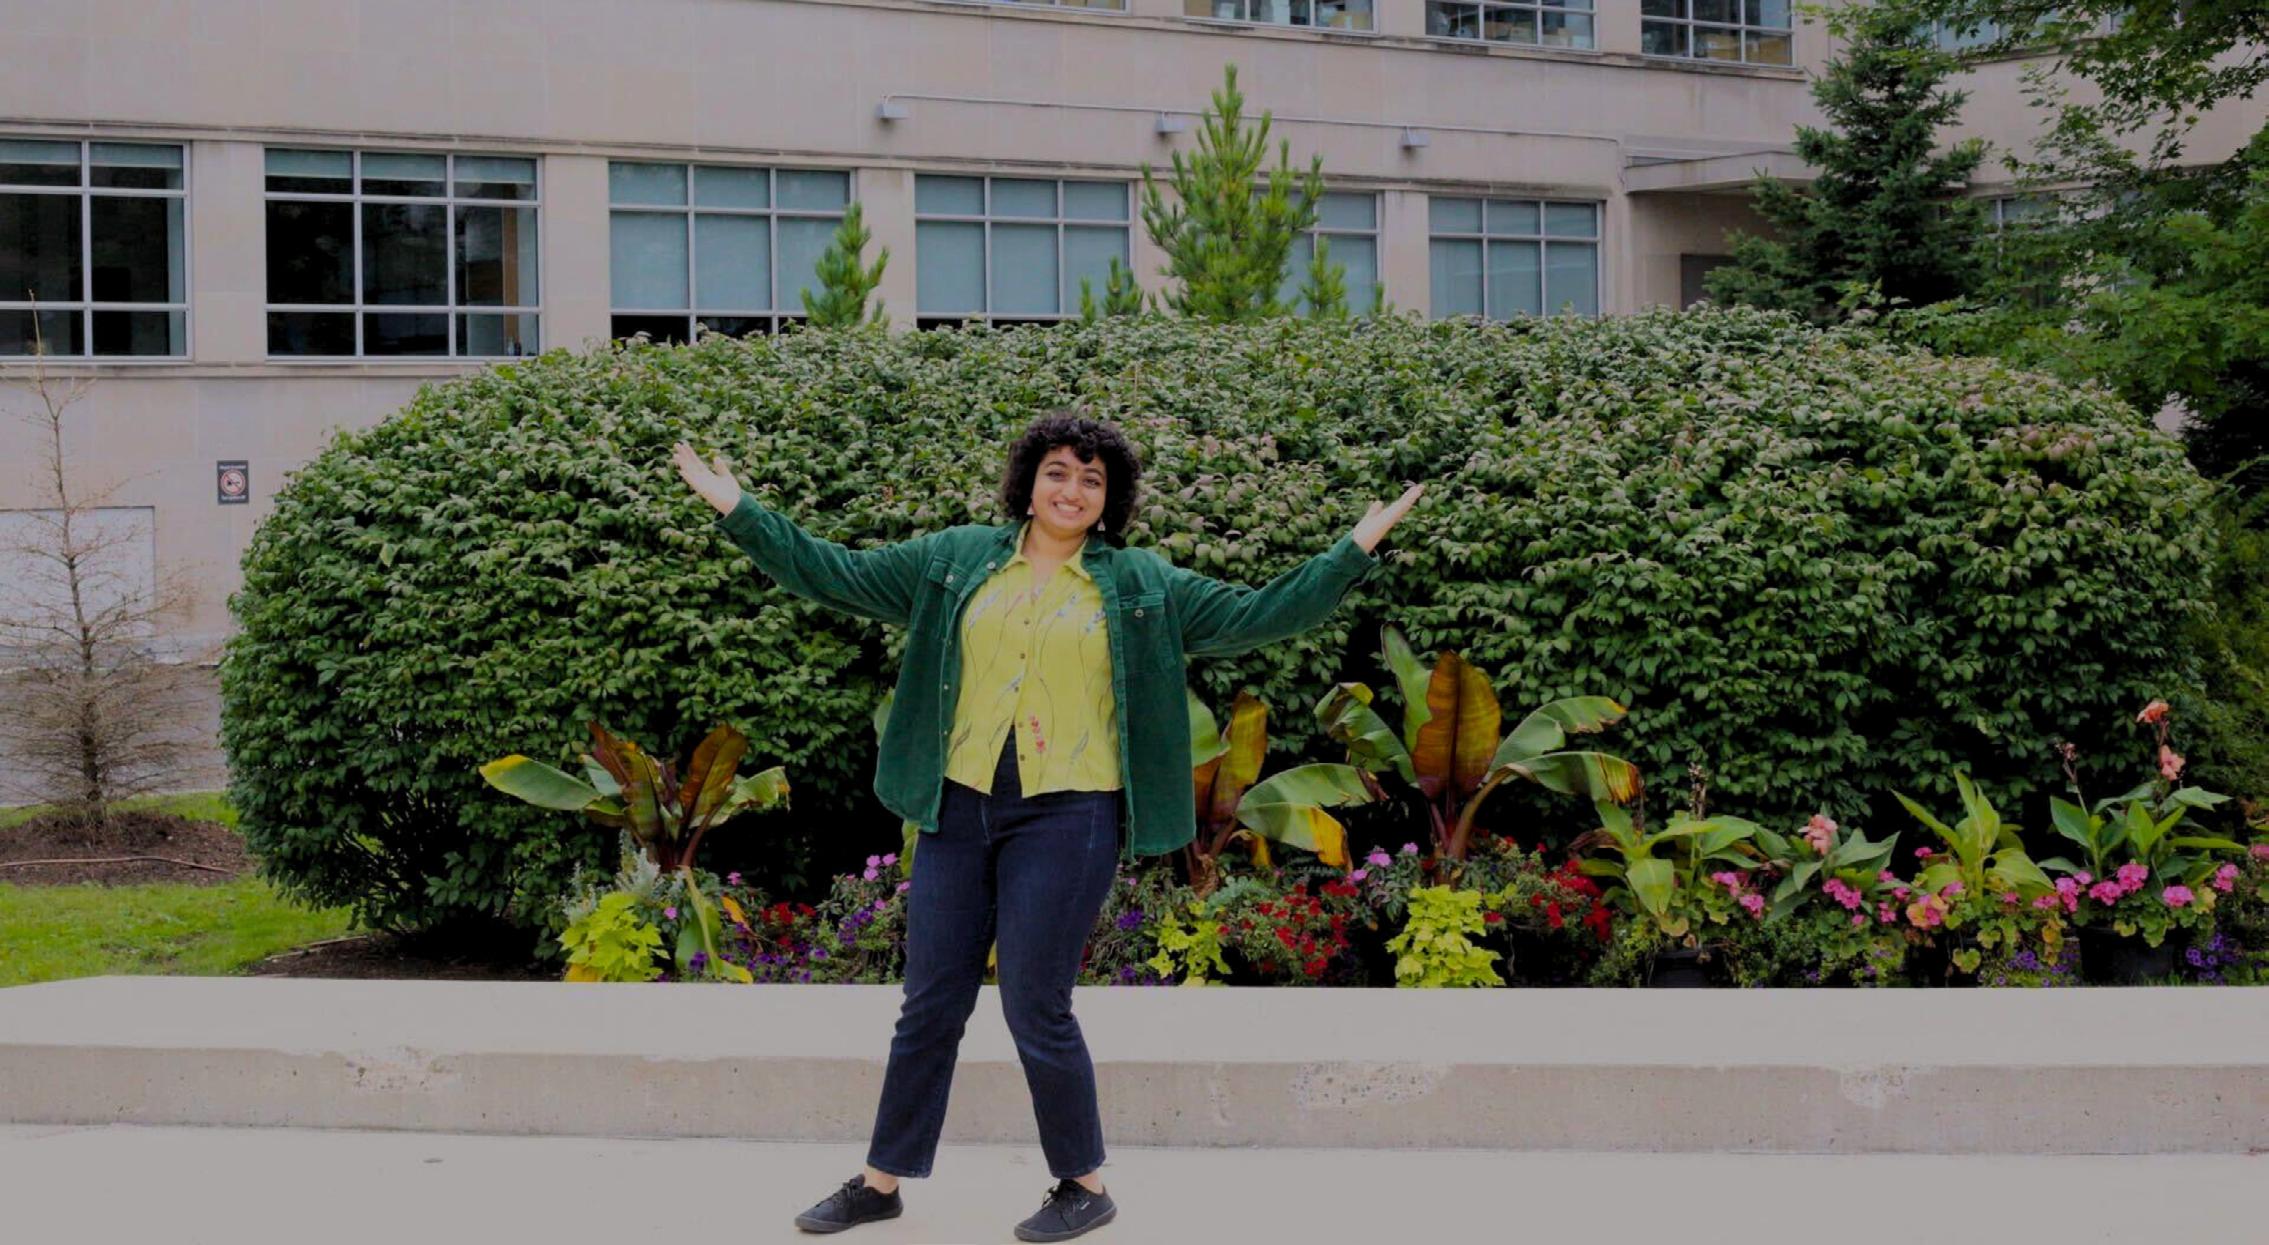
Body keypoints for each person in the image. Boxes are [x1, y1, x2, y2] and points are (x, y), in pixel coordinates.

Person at [672, 410, 1421, 1241]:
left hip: (1069, 812)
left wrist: (1352, 548)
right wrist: (740, 509)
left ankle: (1083, 1183)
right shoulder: (953, 560)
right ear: (1028, 481)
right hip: (958, 802)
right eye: (1058, 471)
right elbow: (833, 572)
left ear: (1109, 499)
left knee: (1036, 1001)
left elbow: (1257, 614)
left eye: (1091, 479)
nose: (1072, 489)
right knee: (930, 1002)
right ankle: (881, 1181)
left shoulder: (1139, 583)